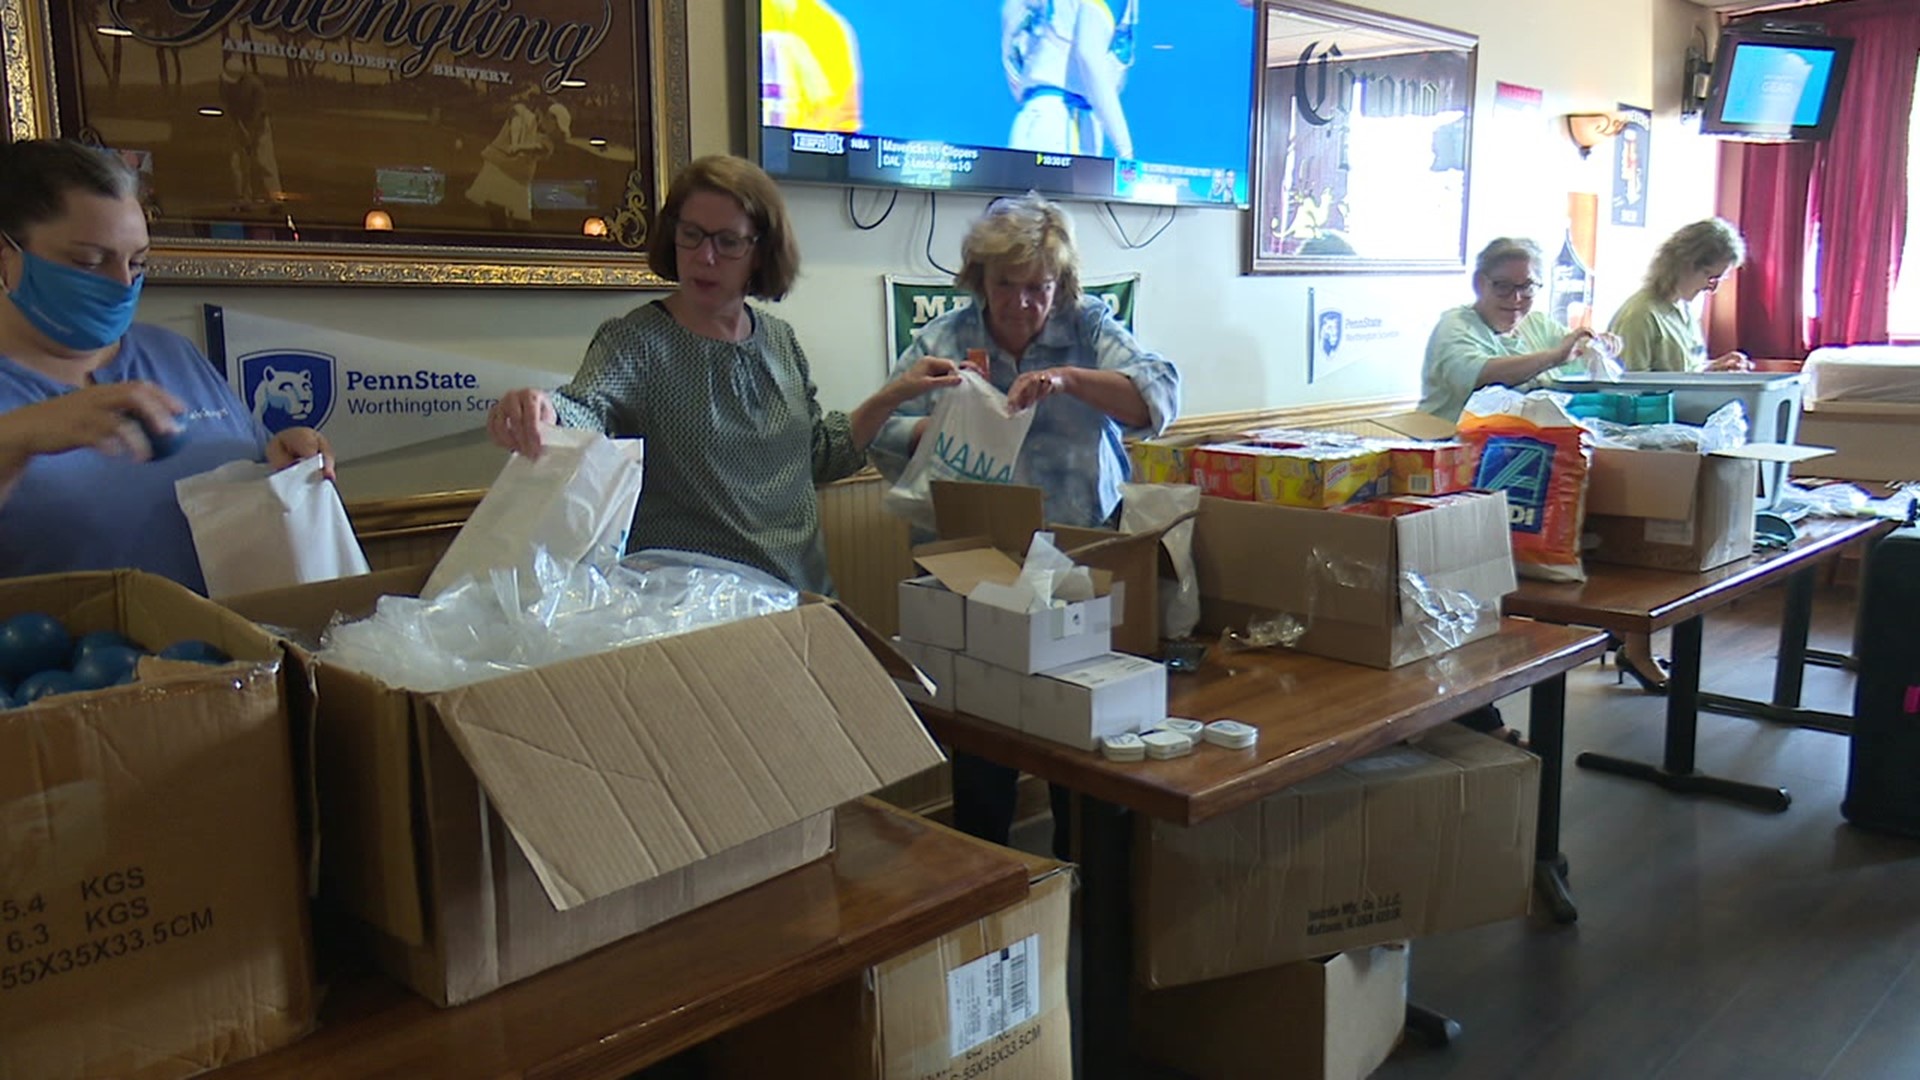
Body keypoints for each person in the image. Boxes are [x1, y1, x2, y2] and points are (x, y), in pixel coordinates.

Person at [868, 192, 1181, 853]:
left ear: (1059, 284)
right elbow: (876, 434)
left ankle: (1083, 890)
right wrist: (932, 424)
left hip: (1075, 567)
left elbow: (1159, 398)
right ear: (980, 280)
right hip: (972, 567)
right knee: (984, 753)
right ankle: (989, 891)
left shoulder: (1089, 326)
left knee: (1083, 751)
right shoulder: (946, 338)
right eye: (1007, 286)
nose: (1022, 304)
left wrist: (1069, 380)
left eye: (1037, 288)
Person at [487, 155, 949, 596]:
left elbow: (815, 456)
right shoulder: (638, 342)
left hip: (802, 597)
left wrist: (893, 395)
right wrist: (544, 411)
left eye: (727, 242)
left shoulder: (780, 341)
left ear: (760, 252)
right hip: (692, 611)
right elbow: (585, 410)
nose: (704, 257)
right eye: (691, 235)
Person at [0, 139, 331, 592]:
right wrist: (15, 440)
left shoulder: (173, 355)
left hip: (233, 652)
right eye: (88, 262)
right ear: (6, 254)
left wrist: (281, 459)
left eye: (137, 262)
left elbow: (246, 482)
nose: (122, 283)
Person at [1418, 237, 1620, 422]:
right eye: (1503, 286)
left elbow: (1576, 351)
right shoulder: (1455, 326)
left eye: (1527, 287)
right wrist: (1554, 357)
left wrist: (1598, 344)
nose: (1515, 298)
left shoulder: (1537, 323)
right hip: (1452, 448)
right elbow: (1481, 376)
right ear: (1479, 284)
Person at [1610, 217, 1751, 373]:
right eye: (1710, 276)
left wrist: (1712, 368)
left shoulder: (1685, 310)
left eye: (1719, 279)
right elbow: (1630, 389)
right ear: (1683, 264)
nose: (1713, 289)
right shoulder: (1640, 316)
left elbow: (1684, 372)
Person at [1003, 0, 1134, 160]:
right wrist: (1125, 150)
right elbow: (1089, 56)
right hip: (1064, 121)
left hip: (1033, 118)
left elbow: (1011, 55)